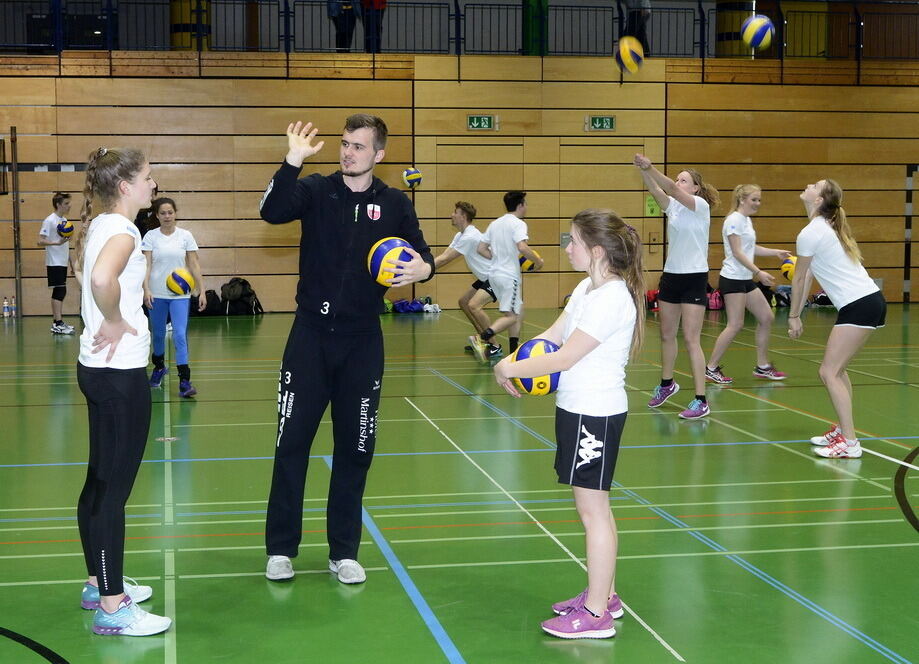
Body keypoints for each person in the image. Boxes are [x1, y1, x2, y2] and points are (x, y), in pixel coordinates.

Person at [259, 115, 435, 584]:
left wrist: (425, 270)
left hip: (362, 342)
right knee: (291, 443)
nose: (348, 152)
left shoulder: (395, 203)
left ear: (379, 154)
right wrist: (292, 161)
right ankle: (281, 548)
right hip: (310, 338)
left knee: (356, 448)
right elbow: (272, 211)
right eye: (344, 144)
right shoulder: (317, 190)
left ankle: (344, 551)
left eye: (358, 146)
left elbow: (423, 255)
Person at [493, 209, 644, 639]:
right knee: (596, 509)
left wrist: (507, 370)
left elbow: (565, 358)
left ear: (596, 251)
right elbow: (553, 337)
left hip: (595, 414)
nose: (566, 247)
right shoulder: (585, 288)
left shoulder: (612, 298)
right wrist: (513, 358)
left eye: (572, 240)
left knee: (592, 512)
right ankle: (605, 596)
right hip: (576, 409)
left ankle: (595, 615)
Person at [72, 147, 171, 636]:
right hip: (120, 375)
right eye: (148, 177)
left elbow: (87, 275)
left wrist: (111, 310)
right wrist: (112, 318)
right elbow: (99, 278)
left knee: (98, 481)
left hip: (95, 370)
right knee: (113, 493)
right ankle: (113, 606)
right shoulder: (125, 231)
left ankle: (98, 584)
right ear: (126, 186)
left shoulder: (101, 226)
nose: (154, 184)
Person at [788, 179, 886, 459]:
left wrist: (793, 316)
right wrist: (798, 313)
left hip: (860, 303)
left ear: (819, 200)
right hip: (866, 302)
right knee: (838, 371)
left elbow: (798, 278)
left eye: (815, 185)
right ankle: (844, 431)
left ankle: (850, 443)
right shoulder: (822, 228)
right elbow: (807, 276)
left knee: (828, 372)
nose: (808, 184)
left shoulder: (812, 232)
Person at [635, 153, 719, 419]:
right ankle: (667, 384)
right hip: (671, 276)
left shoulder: (700, 206)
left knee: (692, 339)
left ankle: (701, 400)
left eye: (684, 180)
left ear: (695, 188)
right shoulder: (673, 207)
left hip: (694, 278)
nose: (678, 182)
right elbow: (657, 190)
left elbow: (669, 187)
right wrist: (644, 171)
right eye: (678, 179)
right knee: (666, 335)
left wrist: (651, 167)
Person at [705, 184, 791, 384]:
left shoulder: (746, 220)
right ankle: (711, 368)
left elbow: (750, 247)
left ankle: (763, 366)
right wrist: (758, 272)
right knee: (735, 324)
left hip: (744, 279)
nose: (757, 203)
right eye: (754, 199)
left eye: (759, 200)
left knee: (766, 317)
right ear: (742, 199)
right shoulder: (733, 220)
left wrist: (775, 252)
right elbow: (737, 252)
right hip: (733, 279)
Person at [142, 197, 206, 398]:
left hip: (180, 295)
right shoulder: (151, 236)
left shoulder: (185, 236)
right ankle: (159, 367)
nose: (167, 216)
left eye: (170, 212)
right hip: (156, 294)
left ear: (175, 213)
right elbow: (146, 265)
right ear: (157, 215)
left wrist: (202, 290)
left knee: (179, 334)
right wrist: (146, 289)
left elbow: (194, 264)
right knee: (158, 334)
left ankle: (185, 381)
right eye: (163, 213)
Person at [469, 191, 543, 363]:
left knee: (518, 308)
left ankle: (513, 352)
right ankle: (481, 338)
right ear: (520, 205)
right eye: (525, 204)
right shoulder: (518, 224)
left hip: (494, 275)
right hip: (509, 276)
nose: (526, 207)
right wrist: (538, 261)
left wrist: (497, 258)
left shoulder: (495, 224)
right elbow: (522, 247)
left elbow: (481, 249)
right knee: (512, 316)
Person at [432, 201, 501, 356]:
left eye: (455, 212)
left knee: (474, 305)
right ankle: (483, 339)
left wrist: (424, 270)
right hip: (485, 277)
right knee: (463, 302)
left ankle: (495, 346)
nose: (452, 215)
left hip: (496, 276)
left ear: (463, 216)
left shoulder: (470, 237)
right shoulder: (460, 235)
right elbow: (444, 255)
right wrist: (426, 266)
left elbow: (445, 260)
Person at [38, 192, 76, 334]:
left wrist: (71, 263)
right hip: (54, 261)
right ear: (58, 205)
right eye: (66, 203)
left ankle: (57, 323)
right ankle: (58, 324)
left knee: (60, 290)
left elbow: (66, 245)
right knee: (60, 291)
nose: (69, 205)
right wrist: (56, 243)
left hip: (62, 262)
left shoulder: (64, 221)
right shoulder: (50, 220)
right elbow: (40, 241)